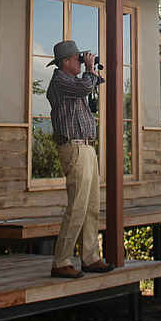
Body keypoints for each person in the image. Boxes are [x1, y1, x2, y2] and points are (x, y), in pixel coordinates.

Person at [44, 40, 115, 278]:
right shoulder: (60, 81)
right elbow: (85, 87)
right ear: (65, 62)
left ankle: (90, 257)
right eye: (77, 59)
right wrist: (90, 68)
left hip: (86, 148)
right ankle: (61, 261)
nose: (81, 62)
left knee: (91, 206)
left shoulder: (73, 82)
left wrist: (90, 69)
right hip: (73, 148)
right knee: (77, 206)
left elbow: (92, 84)